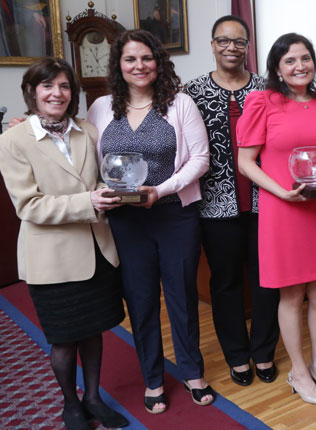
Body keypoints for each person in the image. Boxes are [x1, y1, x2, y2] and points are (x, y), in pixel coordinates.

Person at [86, 29, 212, 414]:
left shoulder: (180, 104)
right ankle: (153, 378)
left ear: (158, 62)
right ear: (119, 66)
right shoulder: (101, 108)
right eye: (130, 59)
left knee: (181, 297)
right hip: (126, 222)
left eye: (146, 58)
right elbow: (88, 157)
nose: (139, 66)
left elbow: (200, 160)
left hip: (175, 215)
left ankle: (192, 372)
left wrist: (163, 190)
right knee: (140, 301)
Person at [0, 58, 128, 430]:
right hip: (51, 257)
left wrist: (110, 191)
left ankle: (92, 398)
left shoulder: (87, 131)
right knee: (63, 339)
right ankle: (70, 404)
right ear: (32, 92)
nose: (57, 93)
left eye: (64, 86)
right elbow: (29, 206)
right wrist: (88, 201)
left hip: (96, 250)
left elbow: (105, 177)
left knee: (94, 330)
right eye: (47, 86)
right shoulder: (12, 140)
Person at [236, 32, 316, 405]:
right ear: (277, 69)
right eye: (290, 61)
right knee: (292, 293)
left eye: (305, 58)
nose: (299, 66)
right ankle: (298, 373)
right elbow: (246, 162)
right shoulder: (262, 102)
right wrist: (281, 191)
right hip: (283, 209)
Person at [183, 15, 279, 387]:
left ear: (247, 47)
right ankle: (237, 356)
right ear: (212, 45)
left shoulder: (266, 89)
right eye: (223, 41)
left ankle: (264, 351)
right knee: (225, 283)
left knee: (266, 281)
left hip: (264, 201)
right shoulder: (192, 92)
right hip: (215, 204)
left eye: (238, 42)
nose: (231, 47)